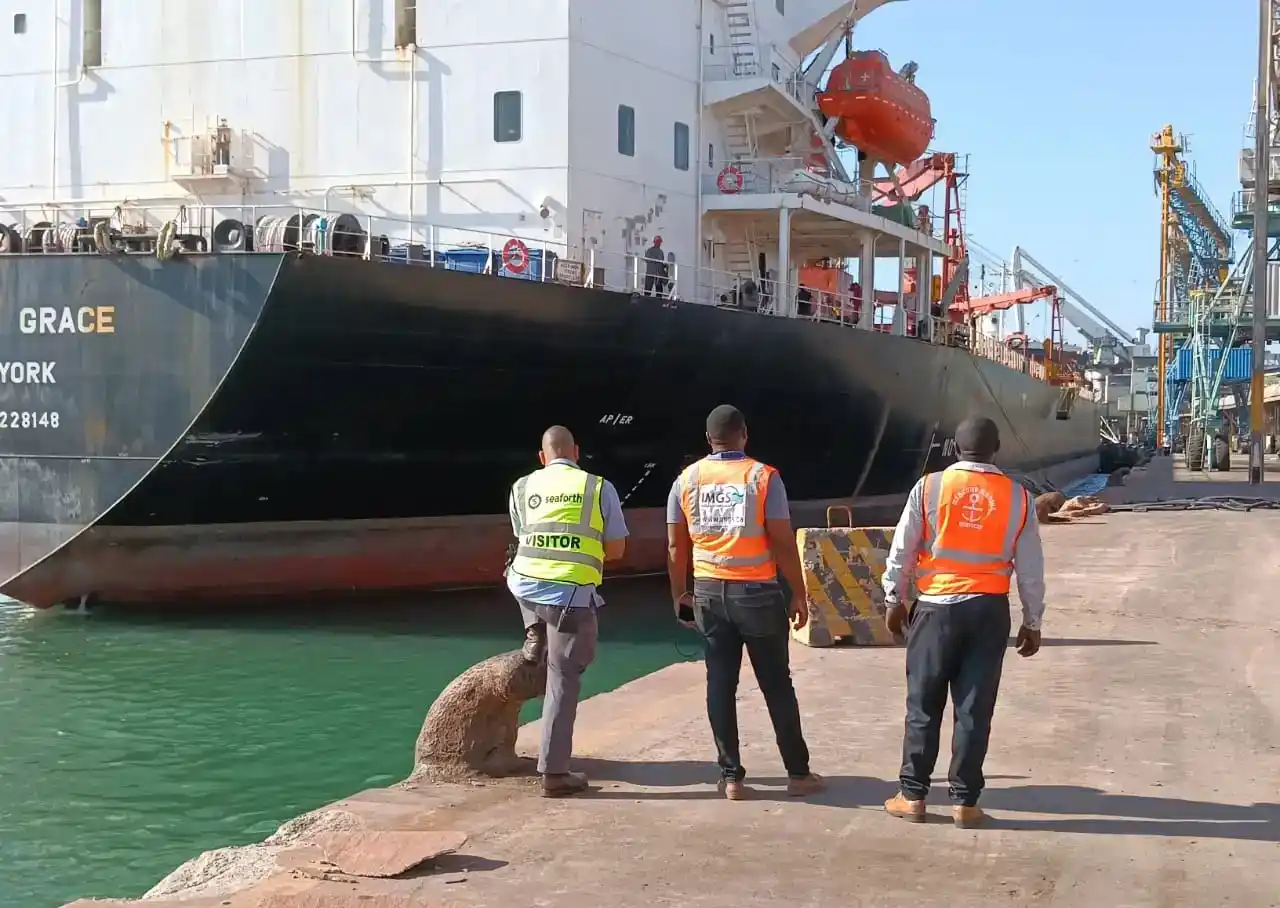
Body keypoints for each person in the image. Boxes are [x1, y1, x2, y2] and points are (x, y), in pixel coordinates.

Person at [879, 416, 1045, 828]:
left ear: (954, 447)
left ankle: (912, 795)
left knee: (923, 704)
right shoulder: (1019, 498)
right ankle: (965, 803)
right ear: (997, 449)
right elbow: (1030, 568)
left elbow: (903, 547)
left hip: (935, 608)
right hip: (989, 612)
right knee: (974, 708)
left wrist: (893, 598)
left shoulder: (930, 487)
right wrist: (1033, 620)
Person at [666, 404, 825, 800]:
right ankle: (798, 773)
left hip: (707, 592)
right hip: (756, 593)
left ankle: (732, 776)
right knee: (776, 683)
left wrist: (678, 594)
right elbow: (783, 541)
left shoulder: (686, 480)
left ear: (708, 440)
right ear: (744, 434)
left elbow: (674, 545)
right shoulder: (763, 478)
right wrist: (799, 592)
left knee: (720, 683)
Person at [506, 425, 628, 797]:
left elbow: (522, 537)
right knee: (562, 679)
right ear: (576, 451)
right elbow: (618, 550)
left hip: (525, 586)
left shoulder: (521, 486)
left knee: (515, 570)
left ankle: (533, 629)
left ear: (542, 457)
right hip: (570, 596)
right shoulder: (598, 487)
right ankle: (555, 774)